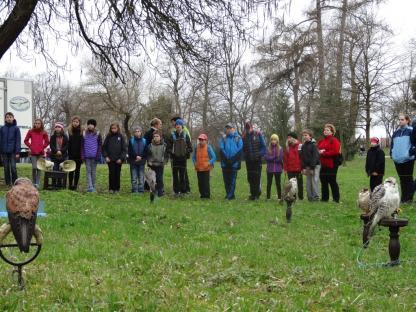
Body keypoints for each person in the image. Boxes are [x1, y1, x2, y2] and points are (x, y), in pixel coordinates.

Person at [391, 114, 414, 203]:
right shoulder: (395, 133)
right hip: (397, 160)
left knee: (408, 179)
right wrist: (392, 154)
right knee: (402, 179)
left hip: (408, 159)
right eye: (399, 119)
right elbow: (392, 145)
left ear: (407, 120)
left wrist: (410, 153)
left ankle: (409, 199)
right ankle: (403, 198)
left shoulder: (411, 131)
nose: (400, 121)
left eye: (402, 119)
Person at [242, 122, 266, 200]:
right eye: (247, 128)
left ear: (252, 127)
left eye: (249, 128)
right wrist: (245, 156)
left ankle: (257, 194)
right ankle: (252, 194)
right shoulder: (244, 136)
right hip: (249, 161)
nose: (248, 130)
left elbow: (264, 147)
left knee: (257, 177)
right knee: (250, 177)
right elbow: (243, 149)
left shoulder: (258, 134)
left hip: (257, 160)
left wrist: (259, 154)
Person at [168, 119, 192, 196]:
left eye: (179, 125)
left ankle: (183, 191)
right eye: (176, 125)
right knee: (175, 176)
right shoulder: (172, 135)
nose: (178, 126)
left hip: (183, 159)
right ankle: (176, 191)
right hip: (174, 159)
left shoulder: (186, 135)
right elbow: (168, 147)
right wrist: (172, 153)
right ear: (175, 127)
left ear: (182, 126)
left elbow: (190, 147)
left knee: (182, 176)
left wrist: (185, 152)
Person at [317, 124, 341, 203]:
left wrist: (324, 153)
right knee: (323, 181)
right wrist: (319, 152)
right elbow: (317, 148)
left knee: (332, 181)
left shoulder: (334, 140)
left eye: (327, 130)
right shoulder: (322, 140)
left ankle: (336, 199)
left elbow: (335, 151)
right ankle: (324, 198)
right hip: (323, 164)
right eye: (325, 130)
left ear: (332, 132)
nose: (325, 131)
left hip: (332, 164)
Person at [219, 123, 243, 200]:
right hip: (225, 162)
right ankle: (229, 194)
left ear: (233, 129)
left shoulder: (238, 138)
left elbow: (240, 149)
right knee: (226, 180)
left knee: (232, 180)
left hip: (234, 163)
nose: (228, 129)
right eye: (227, 128)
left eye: (230, 128)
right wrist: (226, 158)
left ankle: (230, 195)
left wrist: (232, 159)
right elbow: (221, 148)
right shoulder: (224, 138)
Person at [24, 118, 49, 188]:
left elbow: (47, 141)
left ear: (41, 124)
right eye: (36, 123)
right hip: (33, 153)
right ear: (34, 124)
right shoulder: (30, 131)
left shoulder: (44, 132)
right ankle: (33, 182)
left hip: (41, 153)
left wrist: (43, 147)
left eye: (39, 123)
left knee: (39, 168)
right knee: (34, 167)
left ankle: (37, 183)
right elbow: (26, 140)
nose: (37, 124)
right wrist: (30, 146)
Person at [102, 122, 127, 194]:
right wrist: (106, 156)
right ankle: (111, 188)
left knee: (117, 174)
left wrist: (121, 158)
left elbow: (124, 149)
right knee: (111, 173)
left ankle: (117, 189)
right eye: (112, 128)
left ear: (118, 128)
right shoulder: (108, 136)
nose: (113, 130)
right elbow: (104, 148)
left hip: (119, 160)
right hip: (110, 159)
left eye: (115, 128)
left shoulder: (121, 136)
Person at [192, 133, 216, 199]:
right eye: (200, 140)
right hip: (199, 168)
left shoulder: (208, 147)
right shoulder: (196, 147)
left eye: (202, 140)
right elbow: (193, 157)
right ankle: (202, 195)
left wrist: (208, 163)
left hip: (206, 168)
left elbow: (214, 157)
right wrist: (195, 163)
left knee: (206, 183)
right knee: (200, 183)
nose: (201, 141)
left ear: (206, 140)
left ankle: (207, 196)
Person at [81, 119, 102, 192]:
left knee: (93, 172)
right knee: (88, 171)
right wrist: (83, 156)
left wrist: (98, 155)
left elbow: (99, 145)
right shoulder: (84, 133)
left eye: (92, 124)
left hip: (94, 156)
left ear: (94, 125)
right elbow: (82, 146)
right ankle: (90, 187)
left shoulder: (98, 134)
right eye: (89, 124)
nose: (90, 125)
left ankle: (93, 186)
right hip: (87, 157)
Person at [146, 130, 168, 197]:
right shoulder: (150, 145)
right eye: (154, 136)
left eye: (157, 136)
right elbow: (148, 155)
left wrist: (164, 162)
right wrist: (149, 161)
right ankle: (153, 191)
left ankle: (160, 192)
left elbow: (166, 155)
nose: (156, 137)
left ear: (160, 137)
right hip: (152, 164)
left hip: (160, 164)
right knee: (152, 179)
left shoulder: (164, 145)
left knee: (159, 178)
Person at [300, 129, 320, 201]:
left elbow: (315, 157)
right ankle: (310, 197)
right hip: (307, 166)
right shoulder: (303, 146)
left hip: (315, 166)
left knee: (314, 181)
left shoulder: (314, 145)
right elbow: (302, 158)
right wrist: (303, 168)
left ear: (310, 136)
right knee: (308, 182)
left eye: (306, 135)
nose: (304, 137)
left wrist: (312, 168)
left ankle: (316, 197)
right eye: (303, 135)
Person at [283, 132, 303, 200]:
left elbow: (302, 157)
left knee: (299, 183)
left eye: (290, 137)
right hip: (290, 169)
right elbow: (285, 159)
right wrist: (285, 169)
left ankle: (301, 197)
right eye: (288, 138)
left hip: (298, 168)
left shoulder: (300, 145)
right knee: (291, 184)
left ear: (294, 138)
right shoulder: (287, 147)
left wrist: (302, 167)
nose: (288, 139)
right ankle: (293, 197)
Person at [264, 134, 283, 200]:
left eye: (274, 139)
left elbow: (280, 159)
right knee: (269, 183)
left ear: (277, 140)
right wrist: (274, 157)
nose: (273, 141)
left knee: (278, 184)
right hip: (269, 169)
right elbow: (266, 158)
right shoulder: (268, 148)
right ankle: (268, 197)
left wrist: (271, 159)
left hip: (278, 169)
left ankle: (279, 197)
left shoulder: (280, 148)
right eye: (272, 139)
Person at [50, 122, 69, 187]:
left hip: (63, 156)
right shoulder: (52, 137)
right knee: (55, 169)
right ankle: (54, 184)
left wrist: (61, 151)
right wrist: (56, 151)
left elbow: (66, 146)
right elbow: (51, 146)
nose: (57, 128)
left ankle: (60, 184)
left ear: (61, 128)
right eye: (56, 127)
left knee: (61, 170)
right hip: (54, 156)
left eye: (59, 127)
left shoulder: (65, 137)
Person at [128, 126, 146, 193]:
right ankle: (134, 190)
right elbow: (130, 151)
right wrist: (136, 156)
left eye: (138, 131)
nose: (137, 133)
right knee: (134, 177)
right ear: (134, 133)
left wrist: (141, 157)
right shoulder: (131, 141)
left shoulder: (144, 141)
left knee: (141, 177)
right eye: (136, 131)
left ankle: (141, 190)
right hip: (133, 161)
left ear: (141, 132)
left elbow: (145, 151)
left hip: (141, 161)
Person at [67, 116, 83, 190]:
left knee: (77, 171)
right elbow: (68, 144)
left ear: (79, 123)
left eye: (77, 122)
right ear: (72, 122)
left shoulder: (81, 132)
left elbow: (82, 144)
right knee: (71, 171)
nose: (75, 123)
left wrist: (82, 155)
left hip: (79, 155)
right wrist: (69, 154)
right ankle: (70, 185)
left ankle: (75, 185)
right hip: (71, 155)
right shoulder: (69, 132)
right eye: (74, 121)